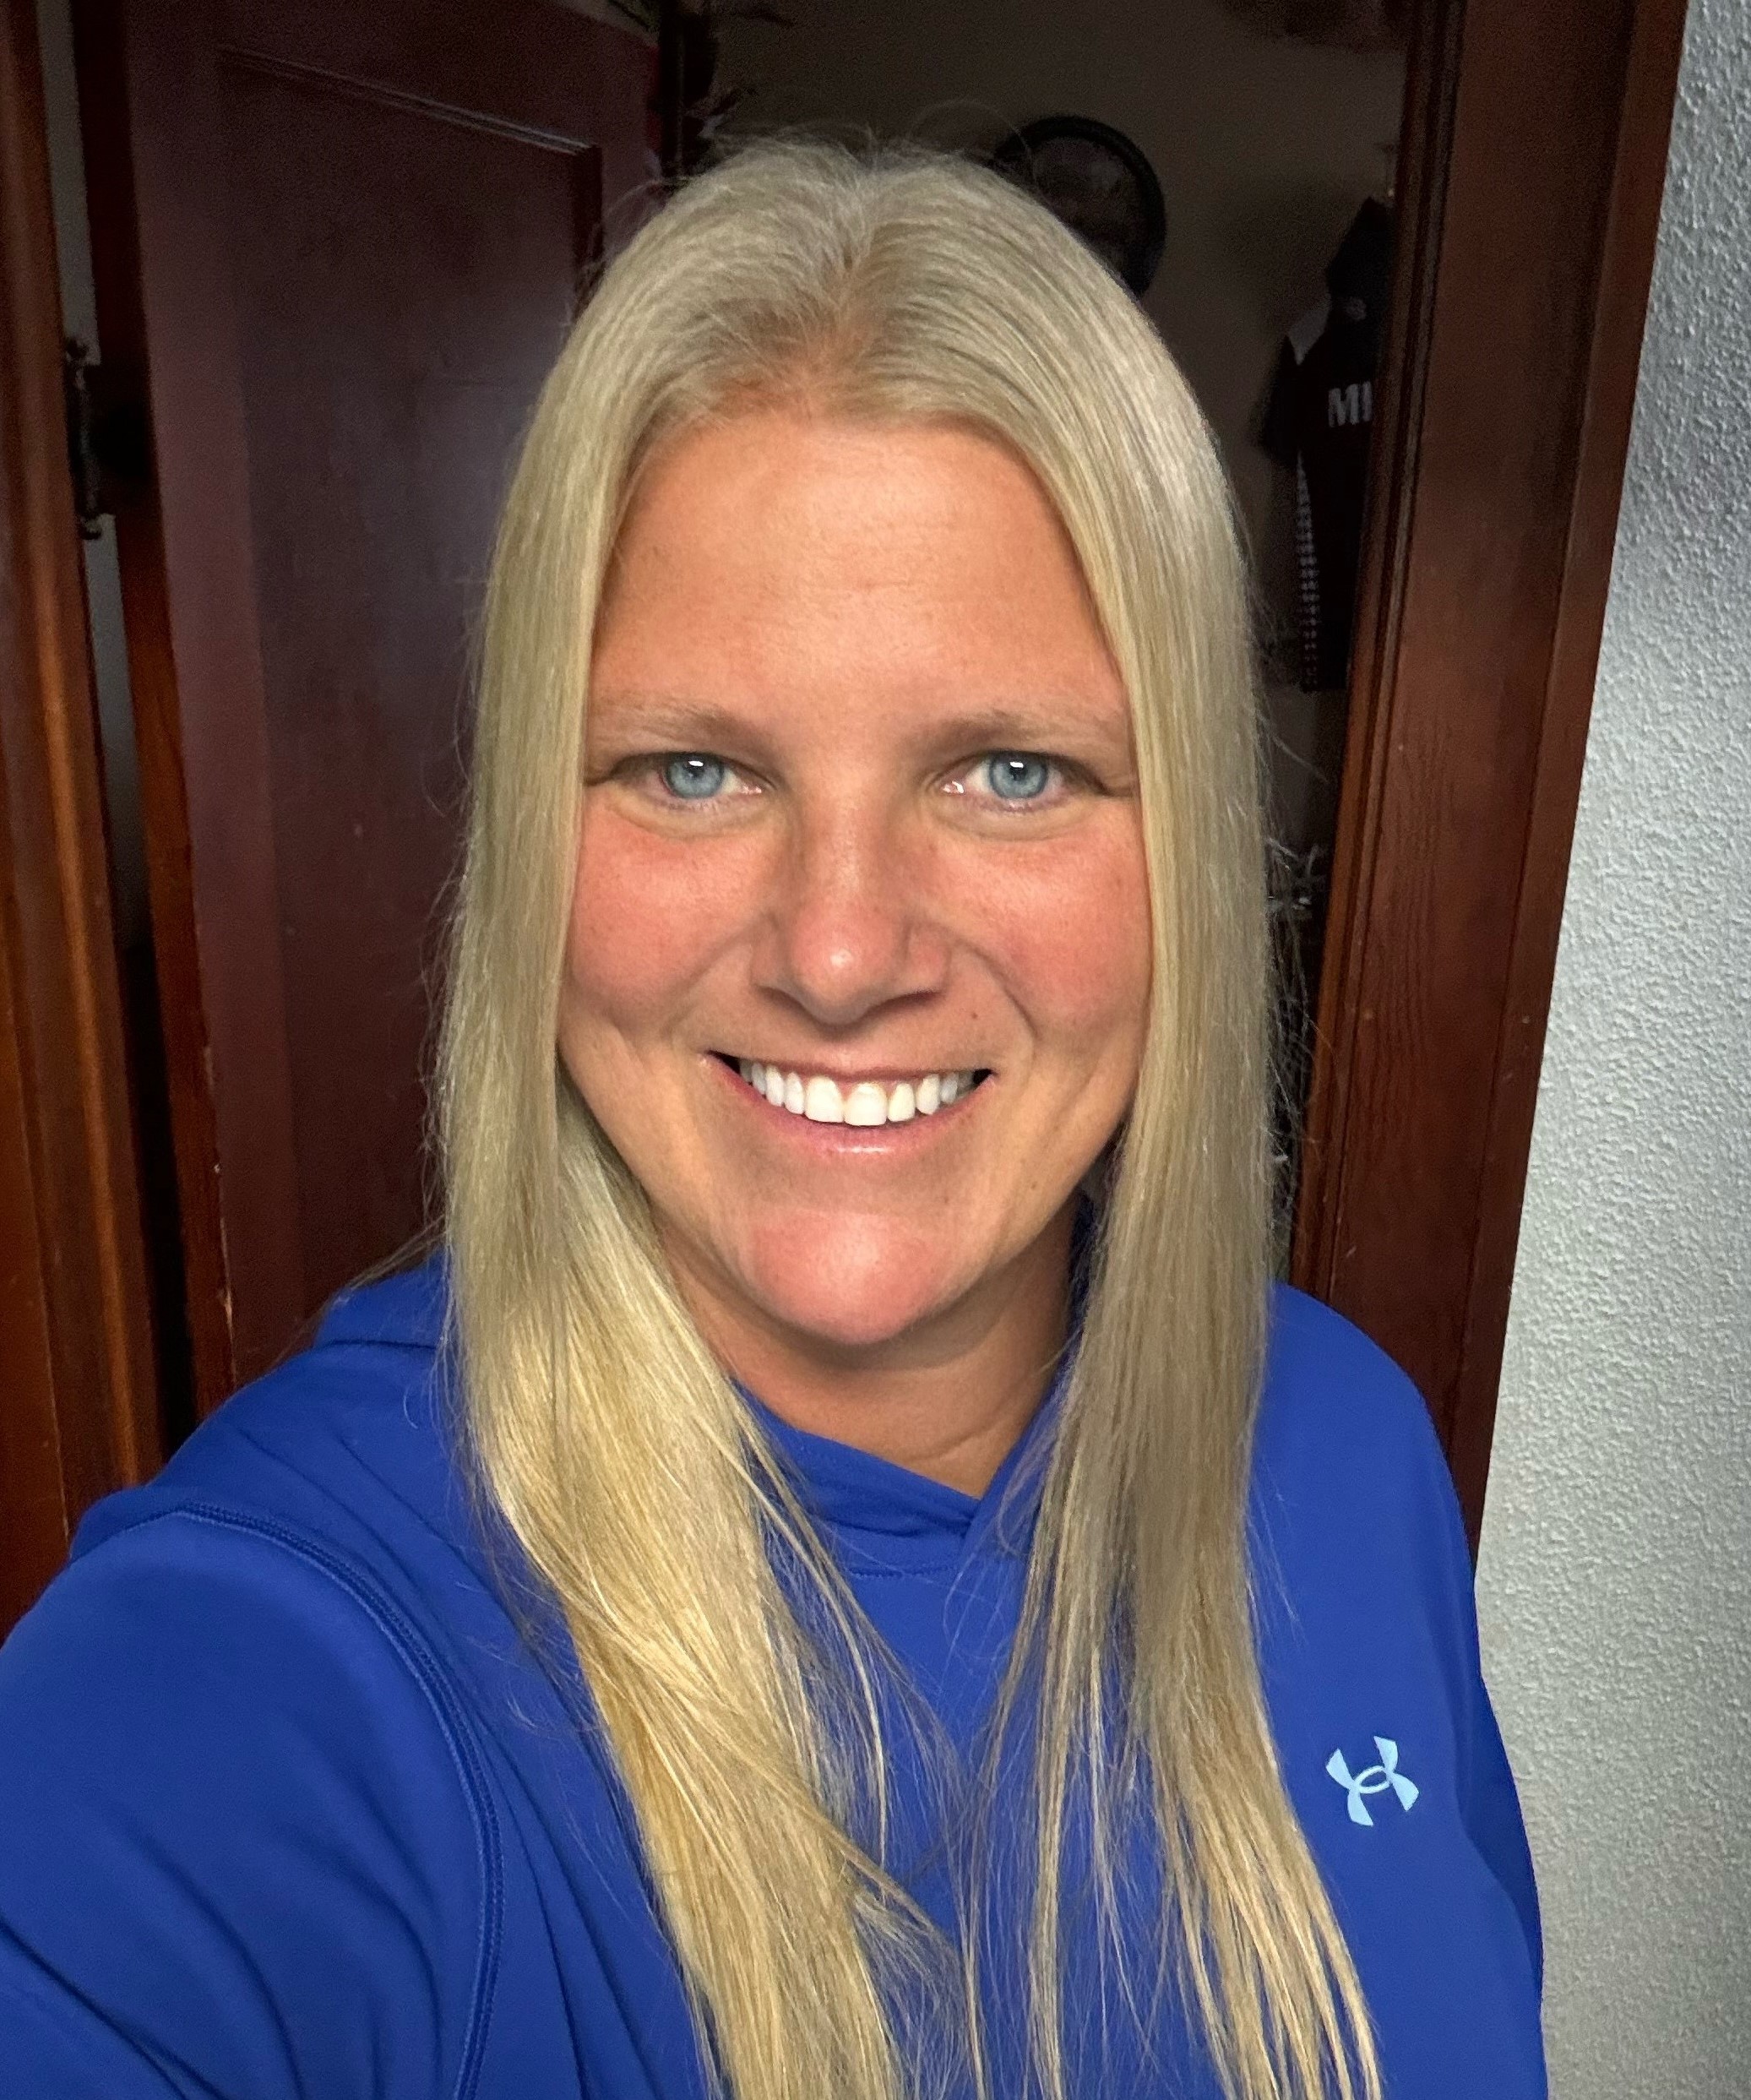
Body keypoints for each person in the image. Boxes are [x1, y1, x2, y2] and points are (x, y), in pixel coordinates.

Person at [0, 143, 1544, 2100]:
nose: (837, 949)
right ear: (531, 850)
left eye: (1008, 769)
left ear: (1192, 865)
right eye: (691, 768)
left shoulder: (1340, 1439)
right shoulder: (246, 1688)